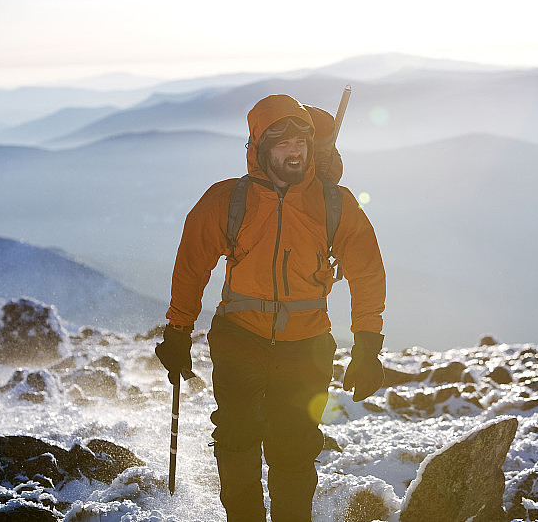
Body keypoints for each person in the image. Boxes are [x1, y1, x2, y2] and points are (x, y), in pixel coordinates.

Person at [155, 93, 387, 522]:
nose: (294, 150)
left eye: (300, 140)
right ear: (259, 148)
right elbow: (191, 265)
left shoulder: (334, 204)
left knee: (294, 446)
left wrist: (367, 345)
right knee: (238, 436)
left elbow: (368, 272)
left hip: (307, 345)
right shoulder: (228, 201)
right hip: (239, 335)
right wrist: (177, 331)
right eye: (281, 142)